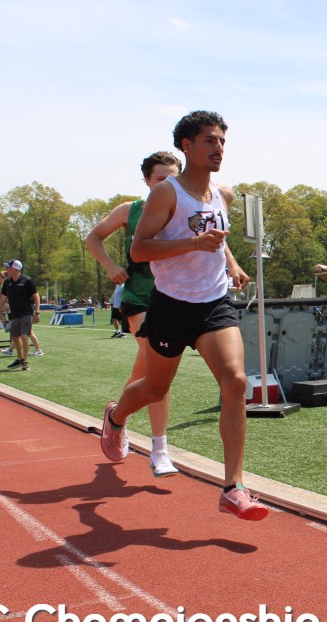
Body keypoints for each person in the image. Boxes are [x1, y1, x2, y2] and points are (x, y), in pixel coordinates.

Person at [98, 111, 265, 520]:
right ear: (187, 146)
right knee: (154, 389)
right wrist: (192, 244)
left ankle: (233, 488)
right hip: (171, 304)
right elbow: (139, 249)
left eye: (222, 140)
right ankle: (116, 417)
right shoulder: (166, 194)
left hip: (214, 304)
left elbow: (217, 239)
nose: (218, 148)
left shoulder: (223, 195)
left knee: (236, 381)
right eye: (210, 140)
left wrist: (231, 262)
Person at [87, 150, 183, 477]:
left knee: (144, 374)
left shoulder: (187, 210)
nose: (167, 185)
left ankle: (117, 417)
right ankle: (160, 450)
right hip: (139, 295)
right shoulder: (130, 210)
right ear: (147, 181)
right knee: (158, 368)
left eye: (173, 179)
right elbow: (93, 237)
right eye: (161, 179)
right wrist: (109, 265)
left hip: (173, 296)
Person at [0, 260, 40, 371]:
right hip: (15, 313)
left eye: (8, 267)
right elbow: (3, 298)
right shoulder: (7, 282)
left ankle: (25, 362)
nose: (6, 270)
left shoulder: (27, 281)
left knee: (24, 336)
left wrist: (37, 312)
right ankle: (19, 359)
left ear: (15, 269)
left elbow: (36, 296)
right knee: (15, 337)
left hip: (26, 312)